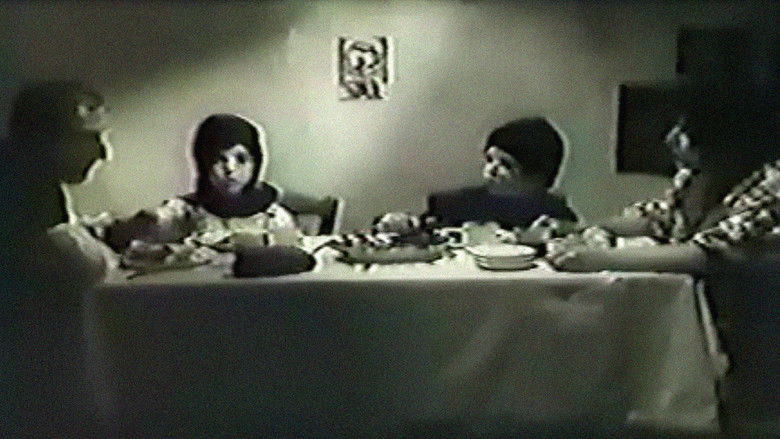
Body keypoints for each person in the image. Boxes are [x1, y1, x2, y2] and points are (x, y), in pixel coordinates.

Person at [0, 81, 115, 437]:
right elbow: (86, 266)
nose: (103, 153)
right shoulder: (24, 188)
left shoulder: (22, 174)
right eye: (88, 138)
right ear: (45, 139)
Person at [550, 102, 779, 273]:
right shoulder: (695, 177)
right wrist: (577, 229)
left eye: (683, 133)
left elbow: (712, 252)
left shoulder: (770, 183)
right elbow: (660, 220)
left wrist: (596, 259)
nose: (670, 140)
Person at [101, 113, 297, 267]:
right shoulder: (183, 214)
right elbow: (123, 236)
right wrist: (143, 224)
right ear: (203, 163)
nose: (230, 169)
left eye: (241, 159)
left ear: (256, 163)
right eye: (219, 159)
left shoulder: (274, 218)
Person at [376, 118, 578, 236]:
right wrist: (400, 224)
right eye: (489, 160)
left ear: (539, 176)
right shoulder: (460, 204)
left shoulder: (554, 214)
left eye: (506, 164)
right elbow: (422, 230)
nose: (491, 170)